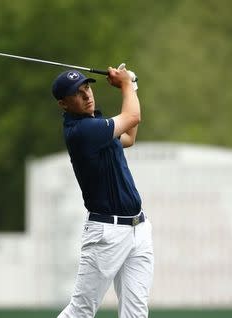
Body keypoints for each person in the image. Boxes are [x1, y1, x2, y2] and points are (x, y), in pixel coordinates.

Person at [51, 66, 154, 318]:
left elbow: (129, 136)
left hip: (138, 229)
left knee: (136, 313)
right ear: (63, 104)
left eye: (87, 87)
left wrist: (131, 87)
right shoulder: (82, 132)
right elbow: (133, 118)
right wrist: (126, 84)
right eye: (78, 93)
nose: (87, 95)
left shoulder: (95, 124)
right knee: (81, 311)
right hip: (107, 232)